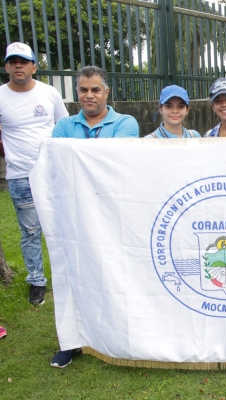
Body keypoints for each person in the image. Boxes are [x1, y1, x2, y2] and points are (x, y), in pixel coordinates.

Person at [50, 65, 139, 368]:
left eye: (95, 89)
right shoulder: (63, 126)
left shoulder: (126, 123)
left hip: (116, 213)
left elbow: (115, 163)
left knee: (118, 272)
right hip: (74, 213)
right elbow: (58, 166)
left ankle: (122, 335)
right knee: (72, 273)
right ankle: (71, 341)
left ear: (107, 92)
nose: (89, 95)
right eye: (83, 90)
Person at [0, 42, 69, 305]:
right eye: (13, 61)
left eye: (23, 61)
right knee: (30, 232)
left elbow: (64, 128)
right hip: (20, 176)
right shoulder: (1, 96)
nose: (18, 66)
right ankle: (37, 281)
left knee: (64, 225)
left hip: (54, 173)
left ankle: (70, 276)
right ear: (6, 66)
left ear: (33, 66)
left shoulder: (49, 93)